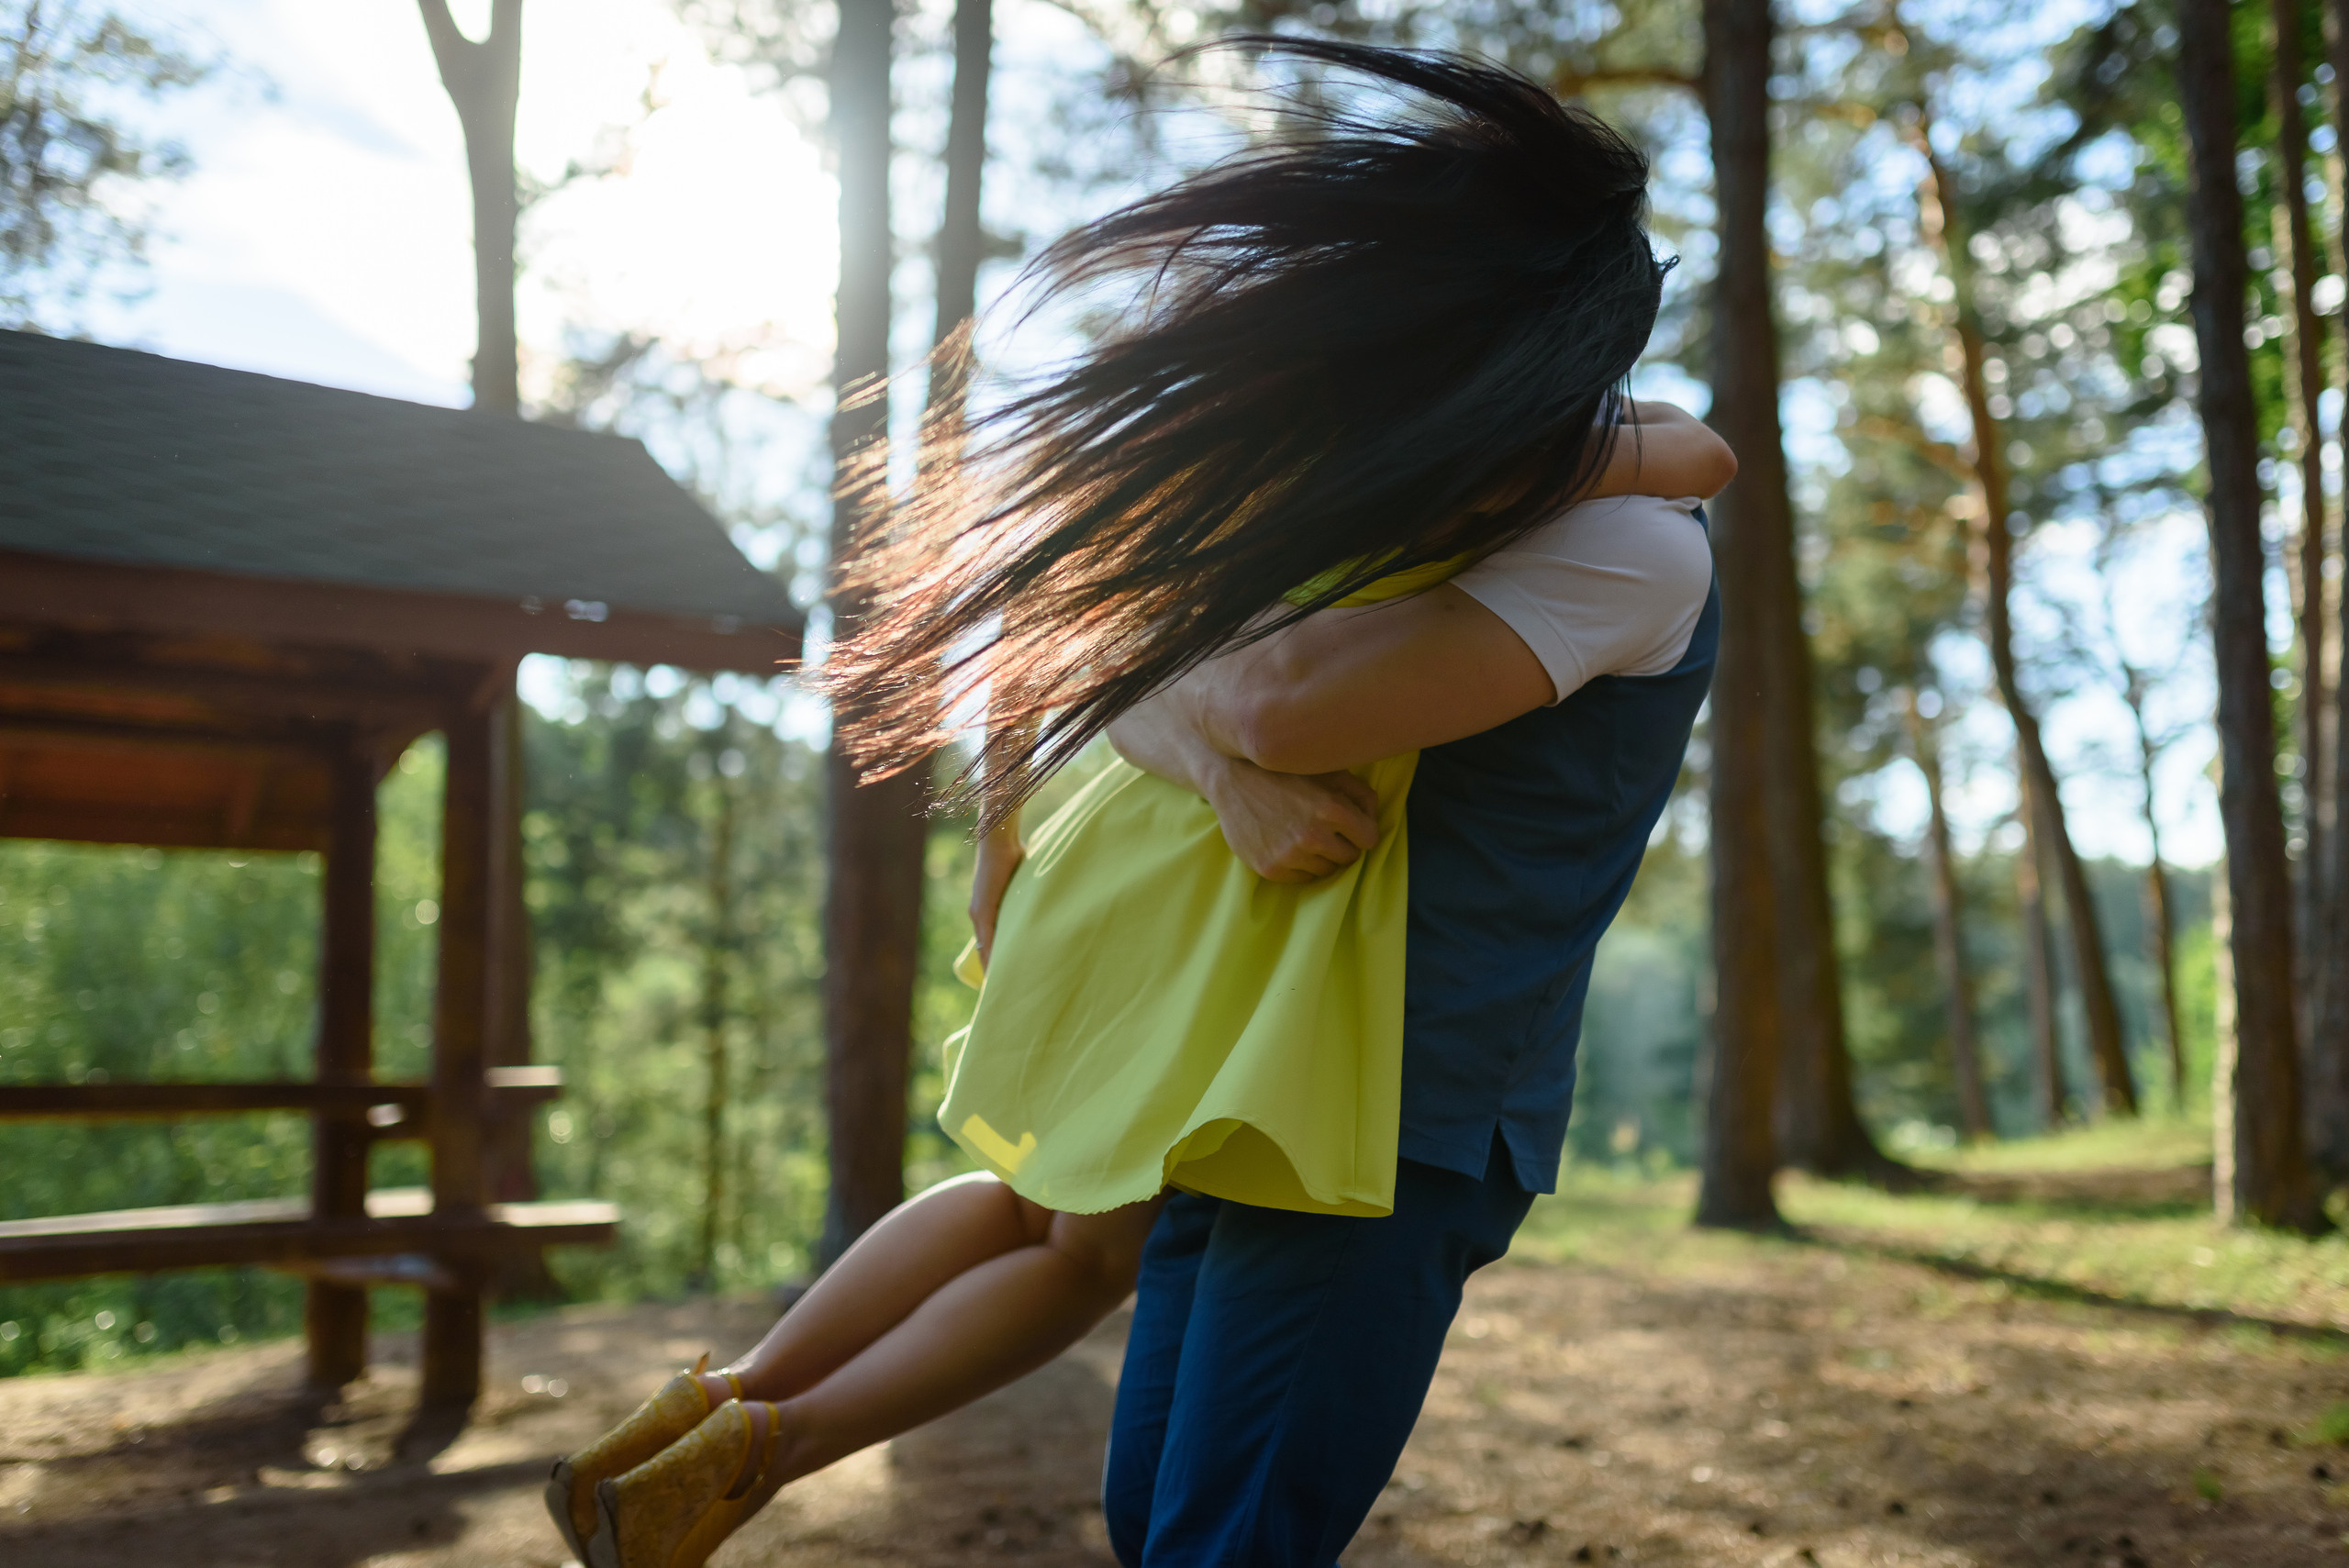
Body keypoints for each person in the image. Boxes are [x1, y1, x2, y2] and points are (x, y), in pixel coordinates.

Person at [547, 39, 1731, 1568]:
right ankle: (744, 1422)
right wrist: (1209, 771)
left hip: (1380, 1104)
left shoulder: (1627, 548)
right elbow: (1146, 652)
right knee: (1161, 1504)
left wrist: (1206, 734)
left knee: (1186, 1489)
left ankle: (747, 1424)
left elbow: (1265, 691)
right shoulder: (1411, 519)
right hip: (1249, 1051)